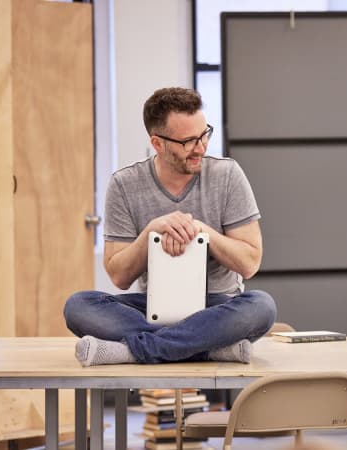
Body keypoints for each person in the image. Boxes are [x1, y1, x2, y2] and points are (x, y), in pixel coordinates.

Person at [63, 87, 276, 367]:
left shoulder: (227, 174)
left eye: (204, 134)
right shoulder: (124, 184)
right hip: (152, 307)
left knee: (261, 307)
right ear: (157, 143)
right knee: (78, 306)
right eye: (188, 141)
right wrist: (151, 232)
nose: (200, 147)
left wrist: (202, 232)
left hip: (218, 307)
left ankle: (134, 351)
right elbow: (119, 276)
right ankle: (209, 348)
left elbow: (249, 263)